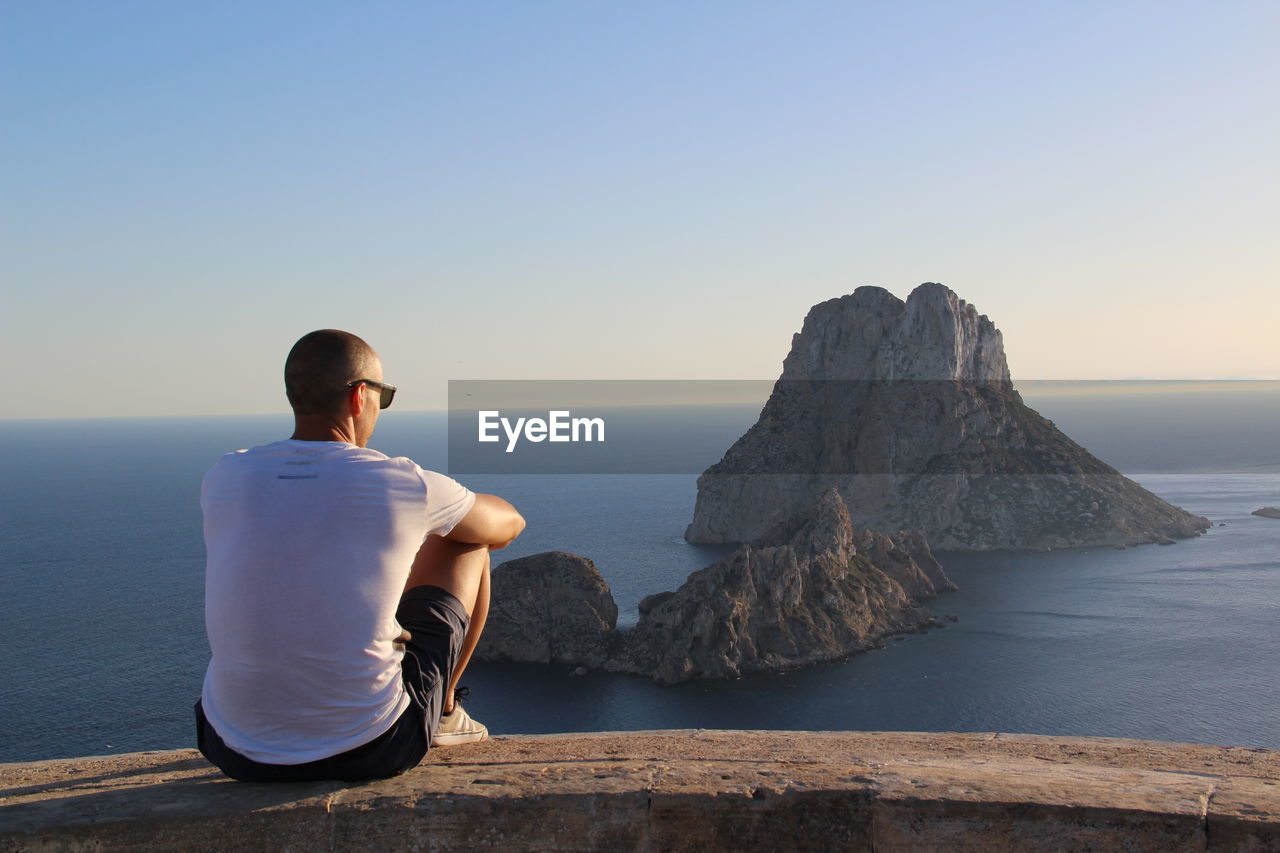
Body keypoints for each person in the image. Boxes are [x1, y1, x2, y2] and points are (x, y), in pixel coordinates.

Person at [194, 329, 525, 782]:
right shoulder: (400, 482)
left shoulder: (225, 476)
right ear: (358, 396)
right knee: (467, 541)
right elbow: (508, 525)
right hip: (372, 746)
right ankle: (446, 711)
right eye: (383, 396)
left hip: (231, 748)